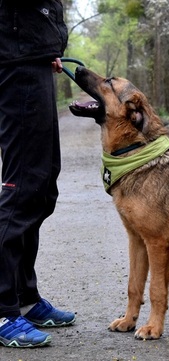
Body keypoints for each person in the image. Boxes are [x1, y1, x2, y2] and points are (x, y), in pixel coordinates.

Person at [0, 0, 76, 348]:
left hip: (32, 56)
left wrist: (48, 46)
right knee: (20, 189)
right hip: (15, 60)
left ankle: (24, 298)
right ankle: (3, 310)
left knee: (42, 187)